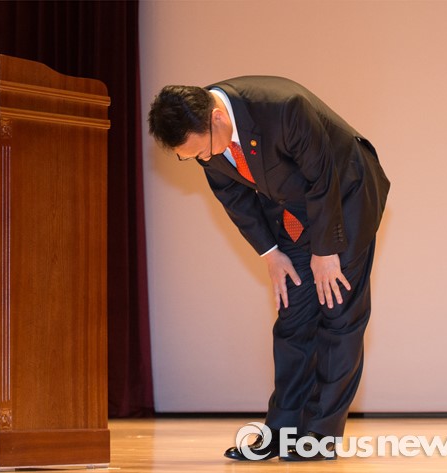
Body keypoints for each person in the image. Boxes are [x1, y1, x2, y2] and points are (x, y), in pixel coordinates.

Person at [147, 76, 390, 461]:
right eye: (191, 157)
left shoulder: (283, 108)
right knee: (293, 317)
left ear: (217, 118)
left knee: (338, 314)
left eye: (202, 151)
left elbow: (321, 177)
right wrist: (271, 253)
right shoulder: (204, 133)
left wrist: (326, 250)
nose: (204, 160)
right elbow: (233, 196)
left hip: (345, 196)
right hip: (293, 212)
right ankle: (281, 431)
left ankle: (320, 435)